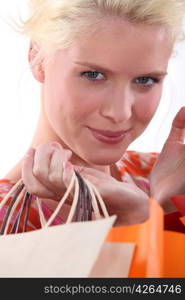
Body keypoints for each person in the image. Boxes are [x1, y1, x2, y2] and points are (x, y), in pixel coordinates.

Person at [1, 0, 185, 232]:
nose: (120, 113)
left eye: (145, 80)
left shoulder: (166, 179)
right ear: (37, 58)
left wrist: (168, 209)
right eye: (93, 75)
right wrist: (134, 221)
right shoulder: (8, 222)